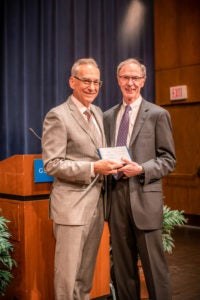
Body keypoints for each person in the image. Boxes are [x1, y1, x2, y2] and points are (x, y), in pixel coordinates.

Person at [42, 58, 122, 300]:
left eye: (97, 82)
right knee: (67, 276)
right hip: (71, 208)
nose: (92, 87)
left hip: (97, 207)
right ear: (72, 82)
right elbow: (52, 164)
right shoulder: (57, 116)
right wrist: (93, 167)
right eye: (86, 81)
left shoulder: (97, 112)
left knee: (85, 277)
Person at [103, 58, 176, 300]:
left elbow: (168, 159)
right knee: (122, 270)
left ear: (143, 81)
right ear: (118, 80)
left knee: (155, 270)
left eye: (135, 78)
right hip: (116, 201)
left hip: (144, 200)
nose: (130, 82)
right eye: (125, 77)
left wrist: (142, 169)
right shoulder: (107, 117)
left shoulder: (158, 114)